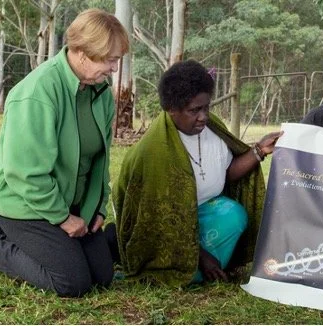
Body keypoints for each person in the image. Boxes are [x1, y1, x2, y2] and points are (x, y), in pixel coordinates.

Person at [0, 9, 128, 297]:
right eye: (110, 60)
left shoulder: (102, 95)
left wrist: (97, 207)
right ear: (83, 53)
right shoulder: (37, 92)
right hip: (24, 202)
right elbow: (25, 174)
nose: (114, 69)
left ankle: (27, 238)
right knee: (72, 282)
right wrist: (62, 218)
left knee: (102, 276)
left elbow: (100, 160)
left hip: (68, 200)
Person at [113, 60, 281, 285]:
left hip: (201, 217)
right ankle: (192, 269)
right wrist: (201, 257)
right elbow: (157, 221)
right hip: (162, 231)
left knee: (233, 213)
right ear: (172, 110)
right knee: (174, 273)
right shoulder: (153, 151)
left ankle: (197, 269)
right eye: (194, 110)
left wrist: (259, 150)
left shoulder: (212, 128)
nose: (203, 116)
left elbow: (226, 174)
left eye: (206, 108)